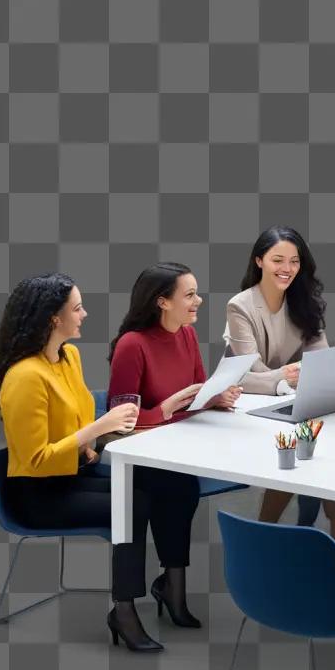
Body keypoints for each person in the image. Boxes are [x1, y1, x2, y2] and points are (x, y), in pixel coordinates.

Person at [0, 273, 200, 653]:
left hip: (72, 474)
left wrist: (91, 442)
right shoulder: (24, 377)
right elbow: (36, 460)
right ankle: (123, 610)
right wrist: (98, 429)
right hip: (37, 493)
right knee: (132, 503)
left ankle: (171, 587)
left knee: (170, 484)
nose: (85, 314)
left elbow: (78, 419)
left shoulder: (68, 356)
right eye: (77, 308)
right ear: (54, 318)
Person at [108, 262, 241, 633]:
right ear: (162, 302)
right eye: (190, 295)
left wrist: (216, 397)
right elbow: (120, 422)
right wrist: (166, 408)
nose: (198, 300)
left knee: (180, 486)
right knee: (177, 488)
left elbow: (198, 389)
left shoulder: (184, 334)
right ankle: (173, 589)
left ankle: (172, 586)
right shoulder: (132, 345)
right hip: (140, 453)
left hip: (179, 447)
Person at [224, 225, 335, 555]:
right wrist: (286, 379)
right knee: (303, 441)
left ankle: (330, 516)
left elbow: (321, 359)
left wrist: (311, 376)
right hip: (248, 406)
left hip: (289, 402)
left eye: (294, 261)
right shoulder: (240, 306)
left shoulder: (303, 302)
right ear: (259, 261)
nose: (287, 269)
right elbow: (245, 373)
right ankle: (275, 527)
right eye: (277, 260)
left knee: (328, 433)